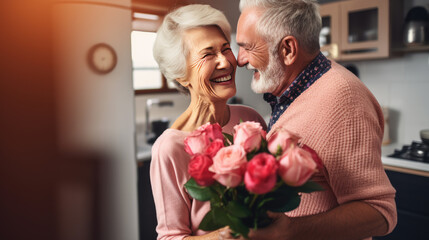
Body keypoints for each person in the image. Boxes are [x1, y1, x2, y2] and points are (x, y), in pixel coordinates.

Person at [220, 0, 397, 239]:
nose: (240, 60)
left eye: (248, 47)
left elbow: (380, 212)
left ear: (288, 50)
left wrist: (292, 231)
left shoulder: (343, 99)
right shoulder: (293, 92)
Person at [149, 4, 267, 240]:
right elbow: (171, 237)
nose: (225, 62)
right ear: (181, 74)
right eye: (208, 54)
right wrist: (234, 234)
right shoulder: (170, 147)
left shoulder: (250, 120)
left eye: (226, 49)